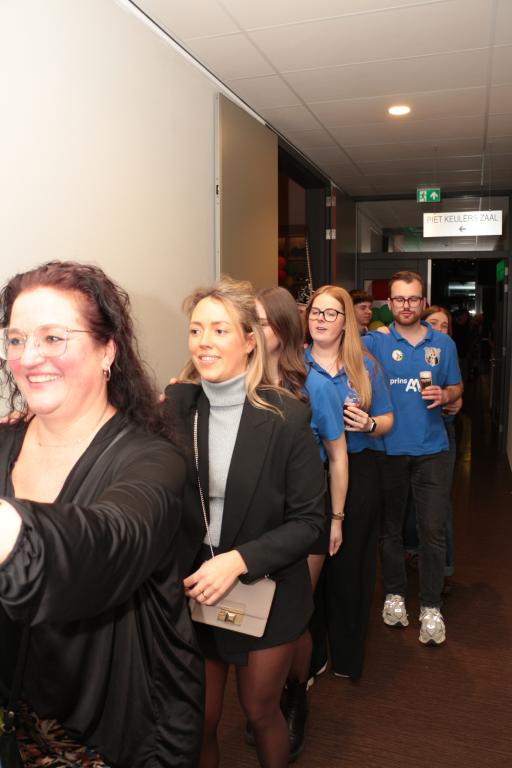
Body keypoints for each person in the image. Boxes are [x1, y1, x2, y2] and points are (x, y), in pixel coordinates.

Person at [0, 261, 203, 768]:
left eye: (53, 337)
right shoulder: (4, 442)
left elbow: (113, 542)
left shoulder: (153, 460)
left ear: (107, 350)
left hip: (113, 737)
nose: (29, 357)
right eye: (16, 339)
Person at [163, 277, 325, 768]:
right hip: (197, 585)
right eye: (196, 330)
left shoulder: (286, 416)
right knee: (201, 720)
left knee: (259, 711)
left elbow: (310, 523)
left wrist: (238, 561)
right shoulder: (178, 407)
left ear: (249, 341)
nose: (204, 342)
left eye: (219, 330)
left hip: (267, 584)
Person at [254, 286, 347, 758]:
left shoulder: (316, 385)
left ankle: (295, 694)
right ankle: (264, 701)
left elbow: (338, 455)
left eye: (262, 323)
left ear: (284, 327)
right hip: (256, 518)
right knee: (258, 615)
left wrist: (336, 518)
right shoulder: (241, 382)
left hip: (306, 516)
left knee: (292, 617)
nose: (253, 332)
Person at [363, 271, 463, 646]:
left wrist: (448, 395)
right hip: (387, 450)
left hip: (432, 450)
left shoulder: (443, 344)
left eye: (413, 298)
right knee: (389, 530)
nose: (407, 305)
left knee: (432, 531)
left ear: (423, 302)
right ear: (389, 304)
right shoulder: (373, 342)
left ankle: (431, 606)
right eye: (399, 299)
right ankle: (394, 594)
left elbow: (457, 385)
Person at [304, 285, 394, 681]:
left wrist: (370, 424)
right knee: (310, 568)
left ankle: (346, 654)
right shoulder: (294, 364)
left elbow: (388, 419)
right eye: (315, 312)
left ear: (345, 323)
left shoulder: (365, 366)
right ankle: (312, 653)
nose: (321, 320)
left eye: (331, 313)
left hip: (358, 470)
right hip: (309, 474)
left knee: (350, 567)